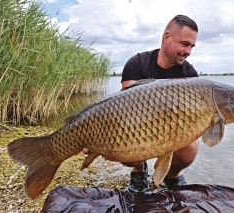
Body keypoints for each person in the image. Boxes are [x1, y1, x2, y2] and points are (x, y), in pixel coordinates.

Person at [84, 14, 199, 192]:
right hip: (136, 127)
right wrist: (95, 137)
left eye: (191, 46)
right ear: (166, 37)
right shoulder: (136, 64)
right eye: (184, 44)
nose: (188, 51)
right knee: (121, 141)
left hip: (173, 131)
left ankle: (172, 175)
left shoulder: (189, 74)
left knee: (191, 145)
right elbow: (124, 110)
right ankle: (139, 169)